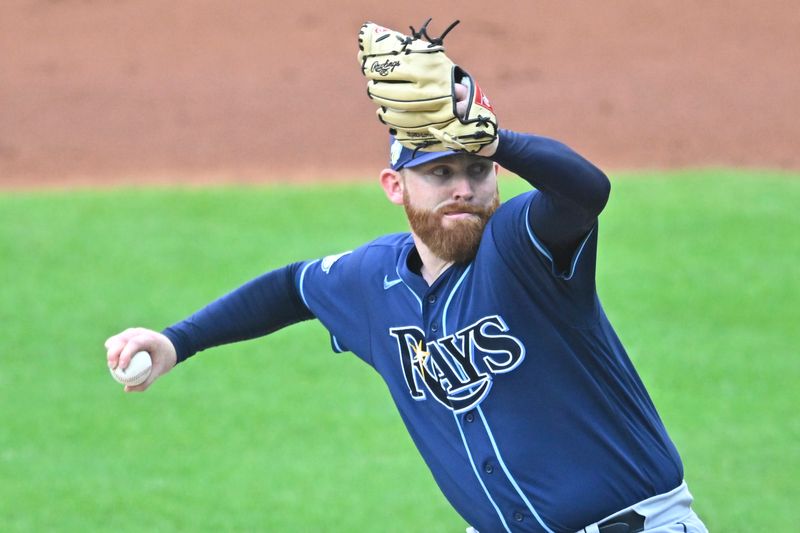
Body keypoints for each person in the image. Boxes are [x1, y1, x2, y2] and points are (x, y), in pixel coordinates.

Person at [106, 22, 708, 533]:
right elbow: (292, 287)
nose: (464, 189)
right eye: (440, 173)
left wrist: (504, 139)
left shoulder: (524, 243)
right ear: (396, 187)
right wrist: (176, 341)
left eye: (478, 169)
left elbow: (587, 192)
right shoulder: (373, 282)